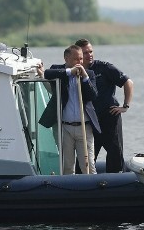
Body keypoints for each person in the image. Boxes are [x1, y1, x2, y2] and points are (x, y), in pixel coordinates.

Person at [37, 45, 100, 174]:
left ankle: (91, 190)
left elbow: (93, 96)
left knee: (88, 166)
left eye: (81, 59)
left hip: (85, 127)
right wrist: (69, 72)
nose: (80, 62)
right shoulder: (58, 71)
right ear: (66, 58)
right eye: (76, 59)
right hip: (65, 128)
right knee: (67, 165)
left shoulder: (90, 74)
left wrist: (85, 78)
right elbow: (48, 73)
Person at [75, 38, 133, 172]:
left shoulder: (105, 67)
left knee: (114, 153)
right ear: (78, 55)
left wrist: (125, 106)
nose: (89, 55)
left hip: (109, 116)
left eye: (91, 51)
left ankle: (116, 181)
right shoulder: (74, 70)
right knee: (87, 156)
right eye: (85, 53)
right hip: (90, 120)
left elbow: (128, 82)